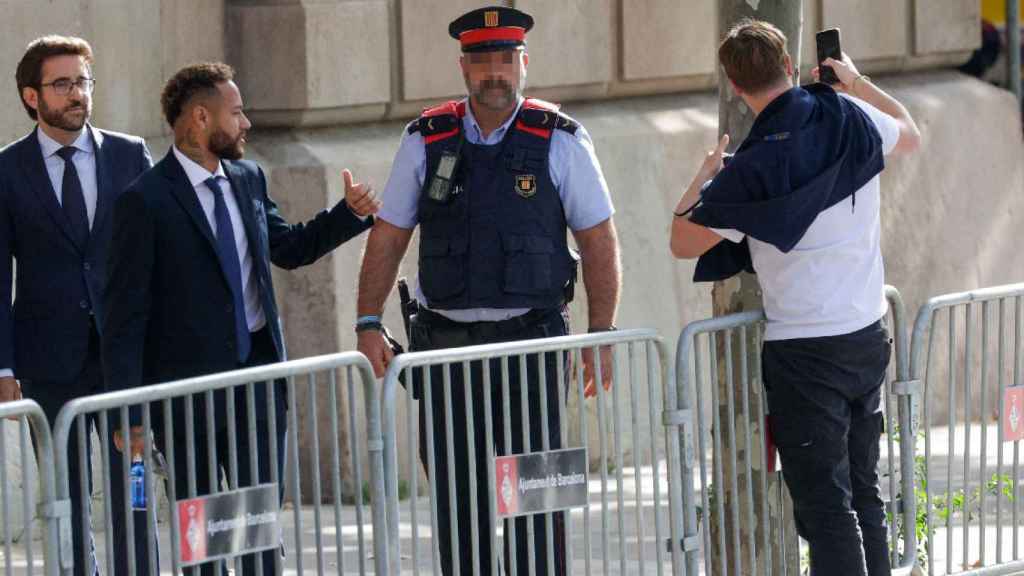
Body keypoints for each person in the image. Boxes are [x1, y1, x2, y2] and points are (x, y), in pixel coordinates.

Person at [355, 6, 621, 575]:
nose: (493, 72)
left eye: (505, 58)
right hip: (446, 351)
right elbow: (389, 236)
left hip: (531, 348)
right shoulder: (425, 138)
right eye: (481, 61)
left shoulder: (561, 139)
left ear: (524, 62)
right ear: (463, 67)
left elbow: (598, 241)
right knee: (458, 503)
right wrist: (367, 321)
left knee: (536, 502)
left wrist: (603, 332)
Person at [101, 62, 379, 575]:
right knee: (203, 540)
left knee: (258, 533)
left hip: (256, 386)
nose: (247, 123)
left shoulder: (247, 179)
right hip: (186, 399)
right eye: (237, 111)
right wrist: (130, 411)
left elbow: (289, 248)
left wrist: (349, 214)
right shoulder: (145, 201)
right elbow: (125, 314)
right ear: (202, 118)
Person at [669, 19, 921, 576]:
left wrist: (705, 174)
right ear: (788, 66)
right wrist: (853, 81)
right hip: (865, 335)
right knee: (864, 495)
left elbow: (682, 239)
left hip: (803, 352)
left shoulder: (749, 169)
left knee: (826, 508)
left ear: (734, 86)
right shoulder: (850, 115)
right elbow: (911, 132)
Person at [0, 35, 154, 576]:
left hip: (124, 358)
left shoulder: (130, 154)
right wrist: (4, 363)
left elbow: (158, 252)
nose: (76, 94)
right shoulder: (7, 169)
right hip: (49, 361)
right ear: (31, 96)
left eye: (82, 81)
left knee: (132, 490)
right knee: (63, 497)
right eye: (61, 84)